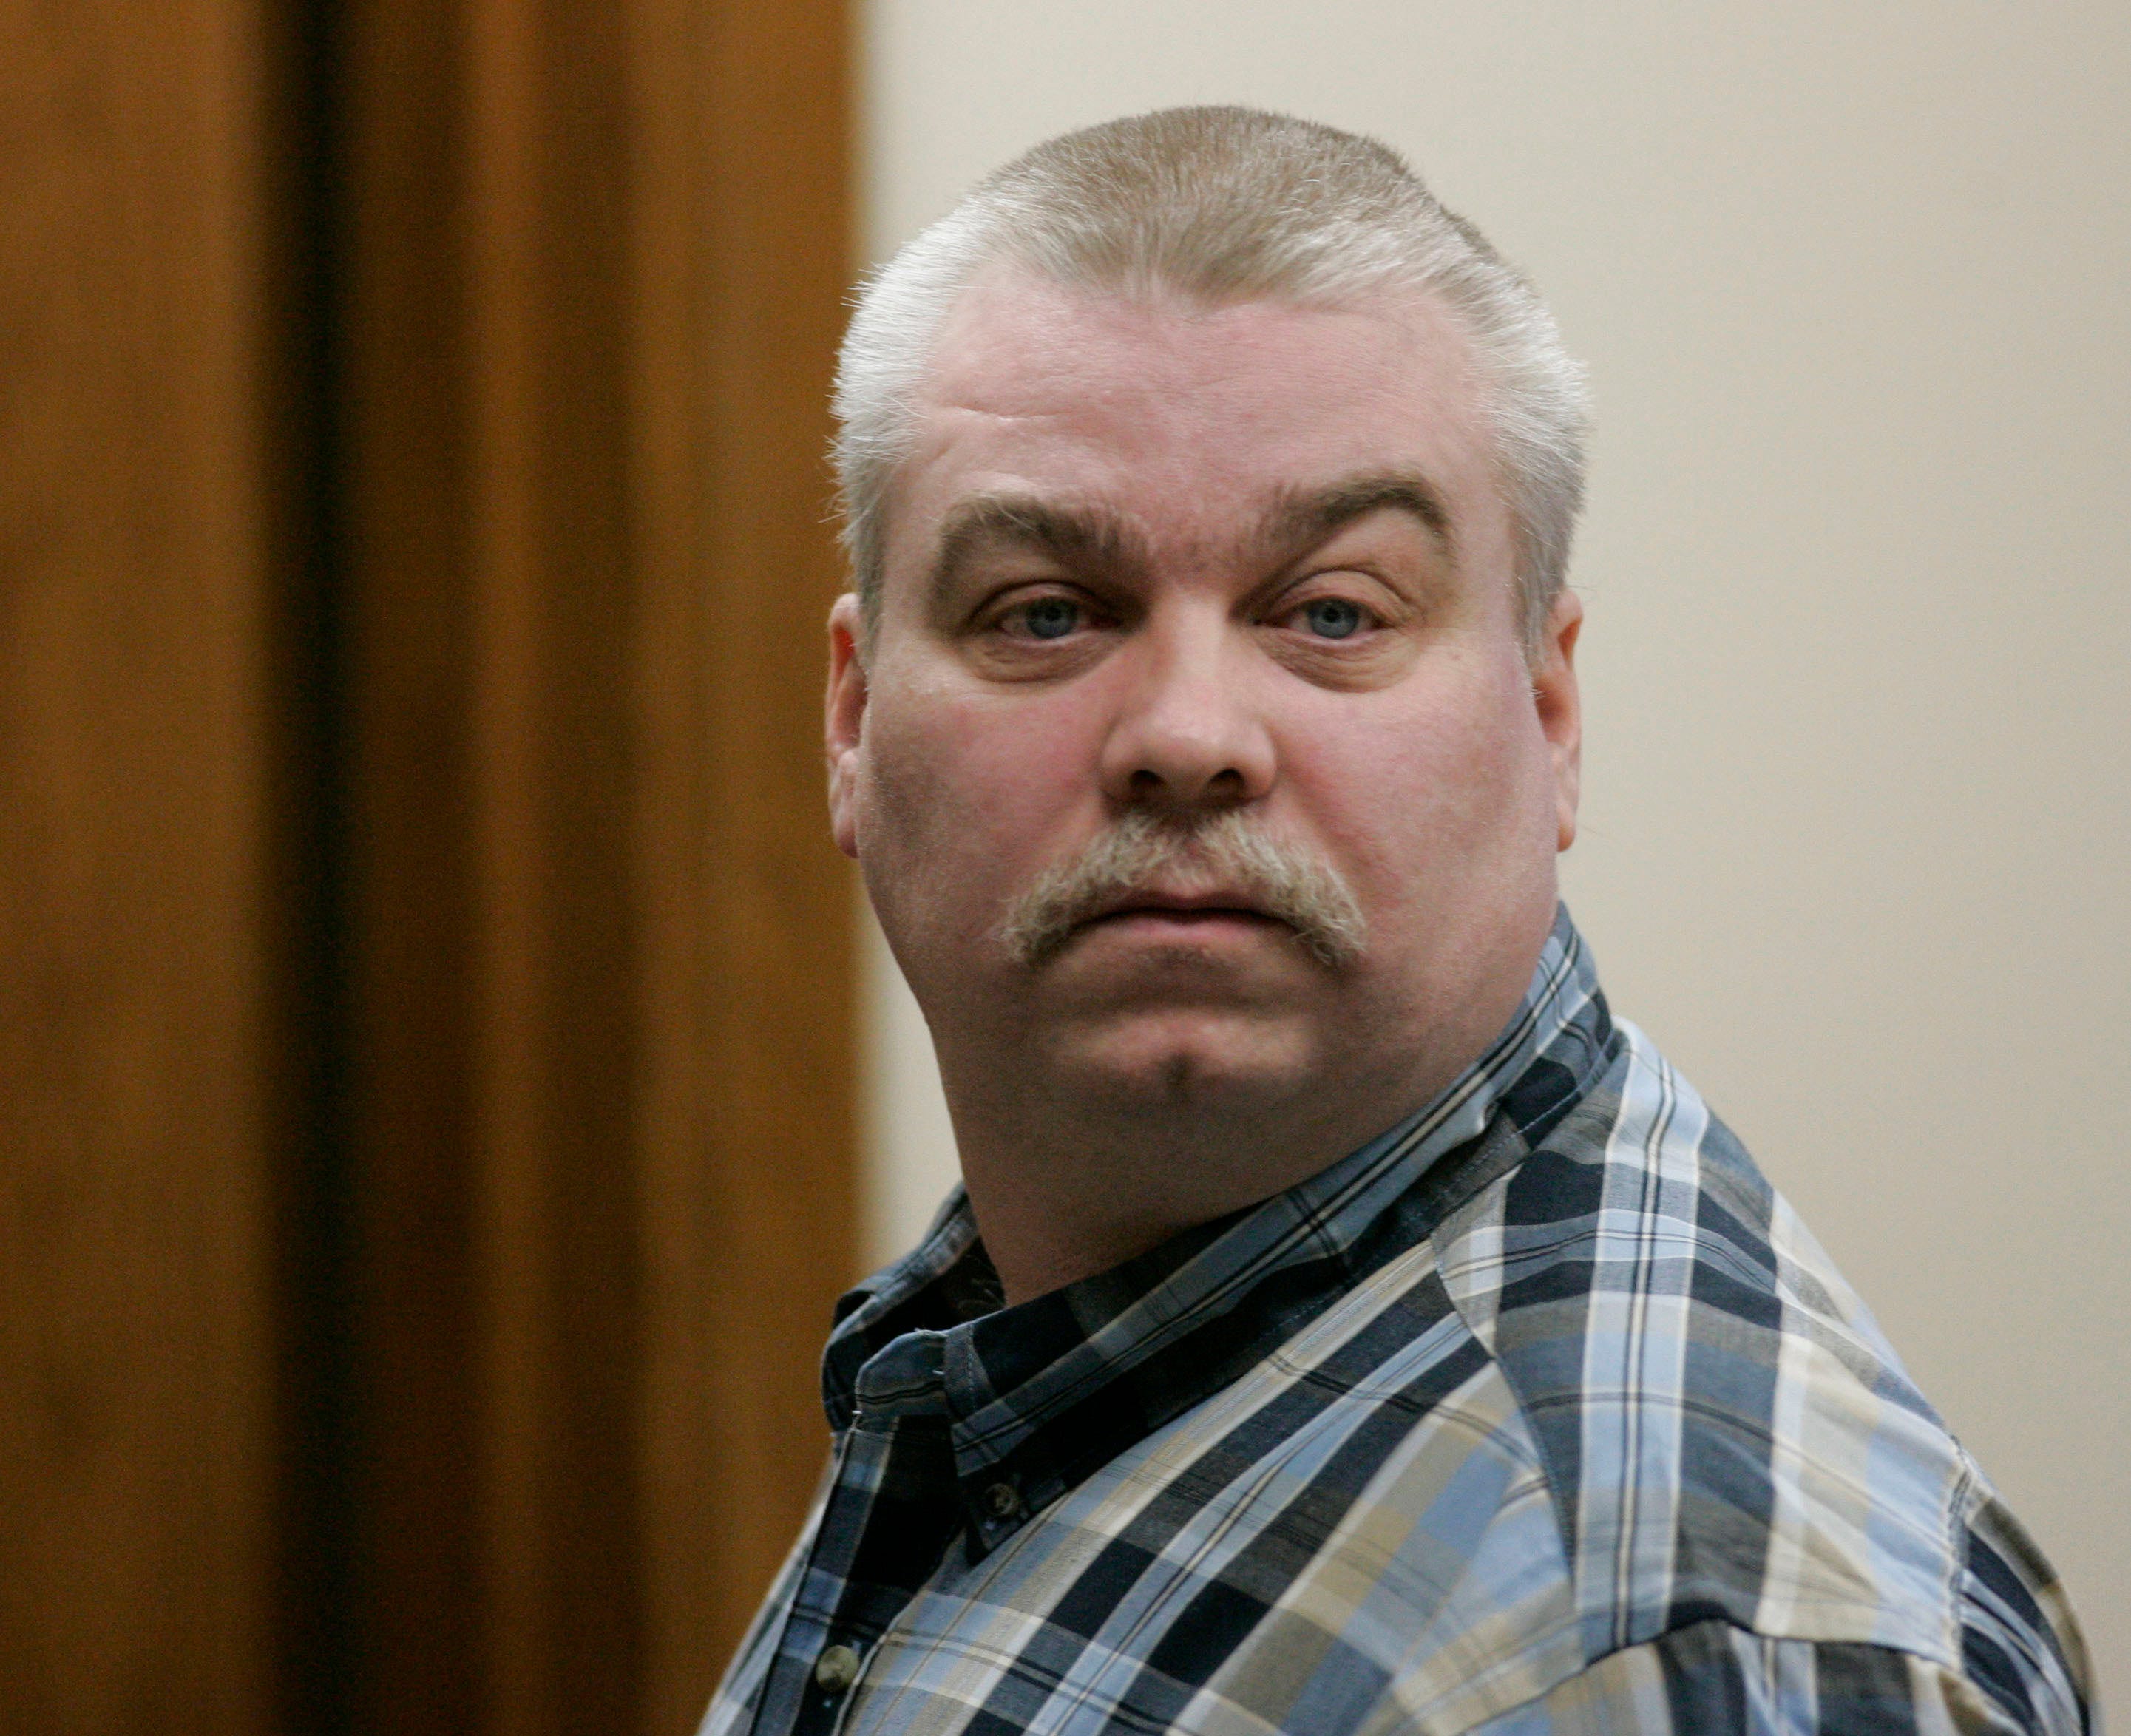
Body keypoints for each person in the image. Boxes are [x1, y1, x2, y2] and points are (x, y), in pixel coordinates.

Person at [700, 108, 2093, 1736]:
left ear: (1548, 714)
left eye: (1332, 612)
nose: (1187, 735)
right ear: (854, 719)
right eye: (1048, 612)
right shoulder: (1026, 1350)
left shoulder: (1670, 1644)